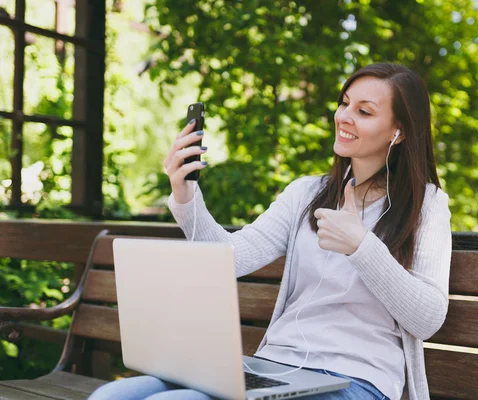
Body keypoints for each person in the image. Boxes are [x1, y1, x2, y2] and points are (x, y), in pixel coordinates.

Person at [89, 63, 452, 400]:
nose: (344, 117)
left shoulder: (427, 205)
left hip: (357, 379)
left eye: (364, 111)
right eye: (344, 104)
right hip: (277, 366)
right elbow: (231, 257)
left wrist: (361, 246)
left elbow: (427, 319)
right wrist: (185, 194)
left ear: (399, 131)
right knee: (112, 396)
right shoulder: (307, 193)